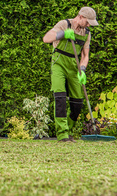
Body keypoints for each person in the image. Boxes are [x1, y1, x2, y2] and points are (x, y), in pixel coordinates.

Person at [42, 7, 99, 142]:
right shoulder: (64, 24)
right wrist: (62, 34)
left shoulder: (86, 33)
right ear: (80, 16)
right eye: (87, 21)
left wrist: (83, 70)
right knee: (60, 97)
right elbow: (46, 38)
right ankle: (62, 135)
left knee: (77, 103)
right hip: (59, 62)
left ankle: (69, 130)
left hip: (74, 66)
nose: (89, 24)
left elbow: (85, 55)